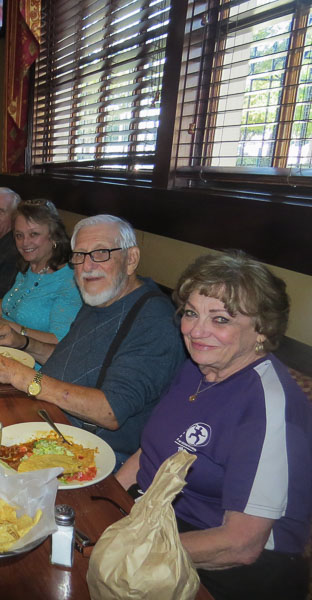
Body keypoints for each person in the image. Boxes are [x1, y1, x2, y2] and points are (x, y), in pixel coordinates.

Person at [115, 252, 312, 600]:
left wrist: (128, 548)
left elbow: (241, 544)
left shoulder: (270, 407)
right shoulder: (198, 367)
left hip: (229, 568)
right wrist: (104, 509)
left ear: (262, 331)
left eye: (220, 319)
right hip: (156, 522)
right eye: (191, 313)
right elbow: (150, 452)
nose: (195, 330)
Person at [0, 214, 185, 464]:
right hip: (47, 421)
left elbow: (111, 411)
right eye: (79, 255)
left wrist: (19, 374)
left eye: (100, 253)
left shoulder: (153, 319)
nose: (87, 266)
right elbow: (70, 357)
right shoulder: (101, 297)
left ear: (131, 259)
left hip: (90, 455)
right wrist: (23, 342)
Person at [0, 199, 82, 344]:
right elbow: (10, 309)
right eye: (19, 235)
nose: (25, 243)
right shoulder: (28, 268)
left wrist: (7, 326)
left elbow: (60, 341)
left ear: (53, 236)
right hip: (5, 351)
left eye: (34, 234)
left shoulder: (69, 281)